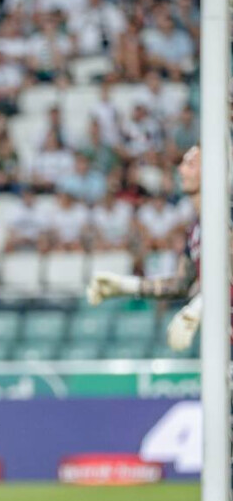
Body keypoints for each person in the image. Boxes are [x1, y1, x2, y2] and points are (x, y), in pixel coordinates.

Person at [87, 146, 202, 351]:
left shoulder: (227, 219)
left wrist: (197, 307)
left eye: (190, 164)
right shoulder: (196, 228)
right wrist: (123, 286)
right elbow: (180, 285)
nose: (181, 170)